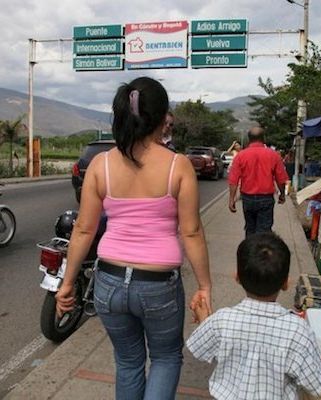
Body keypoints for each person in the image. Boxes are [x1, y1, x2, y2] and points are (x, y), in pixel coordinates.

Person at [55, 77, 212, 400]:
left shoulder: (101, 165)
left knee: (127, 362)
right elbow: (191, 231)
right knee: (166, 358)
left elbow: (84, 230)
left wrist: (67, 283)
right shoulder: (177, 166)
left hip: (109, 282)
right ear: (161, 118)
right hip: (158, 285)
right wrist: (204, 286)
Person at [187, 232, 321, 400]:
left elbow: (199, 347)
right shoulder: (297, 331)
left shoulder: (222, 320)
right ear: (285, 283)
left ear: (237, 277)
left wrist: (203, 319)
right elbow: (315, 384)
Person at [228, 127, 289, 236]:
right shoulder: (273, 155)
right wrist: (282, 194)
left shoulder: (241, 156)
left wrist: (231, 199)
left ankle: (249, 251)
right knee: (264, 231)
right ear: (263, 138)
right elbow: (281, 179)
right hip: (266, 199)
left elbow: (233, 180)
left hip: (247, 199)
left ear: (249, 139)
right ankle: (261, 250)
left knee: (250, 229)